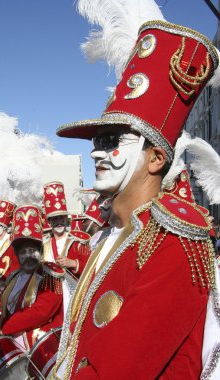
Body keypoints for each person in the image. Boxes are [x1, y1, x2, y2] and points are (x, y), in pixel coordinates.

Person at [51, 2, 220, 379]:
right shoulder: (112, 233)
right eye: (95, 140)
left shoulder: (174, 238)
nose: (96, 151)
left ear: (156, 158)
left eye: (111, 140)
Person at [0, 204, 64, 350]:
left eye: (32, 251)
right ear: (17, 255)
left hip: (39, 345)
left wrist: (6, 327)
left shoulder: (50, 274)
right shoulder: (14, 276)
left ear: (40, 252)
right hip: (13, 339)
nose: (28, 256)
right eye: (23, 252)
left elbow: (42, 312)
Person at [43, 181, 91, 316]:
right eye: (55, 219)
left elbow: (92, 269)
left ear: (66, 219)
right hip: (50, 299)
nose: (59, 222)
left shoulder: (80, 242)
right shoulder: (43, 245)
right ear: (50, 222)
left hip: (74, 297)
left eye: (61, 218)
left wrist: (74, 263)